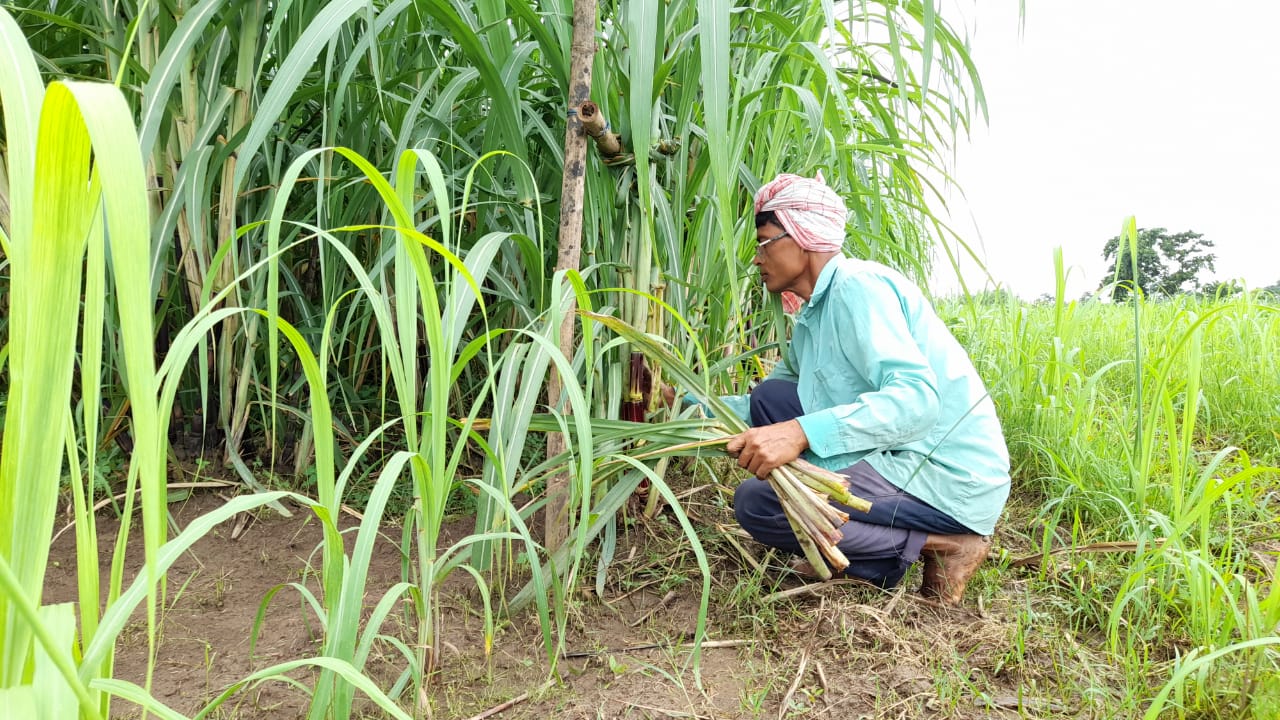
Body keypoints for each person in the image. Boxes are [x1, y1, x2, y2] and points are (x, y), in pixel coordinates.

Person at [710, 173, 1010, 605]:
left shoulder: (856, 287)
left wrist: (798, 433)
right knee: (770, 400)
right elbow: (767, 403)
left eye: (764, 242)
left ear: (801, 236)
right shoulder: (813, 318)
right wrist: (690, 405)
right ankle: (874, 562)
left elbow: (917, 401)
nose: (756, 259)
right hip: (896, 454)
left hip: (946, 473)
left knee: (760, 503)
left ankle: (945, 544)